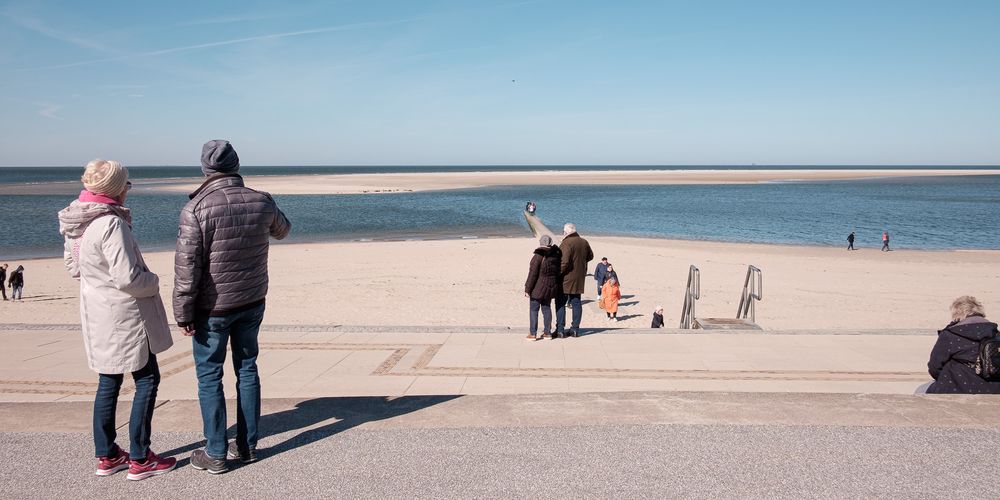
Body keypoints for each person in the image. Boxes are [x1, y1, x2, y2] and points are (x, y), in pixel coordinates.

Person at [174, 140, 291, 474]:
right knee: (247, 367)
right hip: (252, 299)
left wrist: (182, 311)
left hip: (214, 308)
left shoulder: (196, 208)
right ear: (236, 164)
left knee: (210, 374)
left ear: (206, 169)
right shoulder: (260, 199)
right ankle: (247, 446)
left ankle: (216, 452)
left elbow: (186, 267)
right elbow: (283, 230)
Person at [57, 159, 176, 480]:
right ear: (115, 189)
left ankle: (107, 454)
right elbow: (128, 278)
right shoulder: (110, 223)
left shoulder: (75, 219)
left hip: (96, 310)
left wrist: (100, 279)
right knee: (147, 379)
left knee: (108, 381)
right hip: (125, 313)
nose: (128, 190)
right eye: (126, 184)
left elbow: (75, 268)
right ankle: (140, 457)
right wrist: (154, 281)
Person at [926, 296, 1000, 394]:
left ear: (957, 314)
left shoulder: (950, 334)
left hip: (956, 388)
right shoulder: (995, 333)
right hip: (994, 389)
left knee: (921, 390)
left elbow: (934, 367)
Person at [555, 223, 593, 338]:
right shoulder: (584, 241)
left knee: (560, 303)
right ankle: (575, 329)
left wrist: (557, 273)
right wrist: (580, 261)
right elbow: (590, 256)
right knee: (576, 303)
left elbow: (564, 262)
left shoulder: (566, 243)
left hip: (566, 278)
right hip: (579, 277)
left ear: (565, 232)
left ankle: (560, 329)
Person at [524, 234, 561, 340]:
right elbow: (558, 272)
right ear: (550, 244)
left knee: (534, 310)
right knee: (546, 309)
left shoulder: (538, 256)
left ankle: (532, 333)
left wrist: (527, 289)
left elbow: (532, 274)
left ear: (541, 243)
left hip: (538, 288)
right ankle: (547, 332)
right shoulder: (556, 256)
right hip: (550, 287)